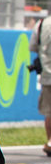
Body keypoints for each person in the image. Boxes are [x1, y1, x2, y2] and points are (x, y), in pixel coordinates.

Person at [29, 16, 51, 155]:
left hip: (48, 74)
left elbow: (33, 47)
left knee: (49, 111)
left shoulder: (42, 24)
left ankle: (50, 141)